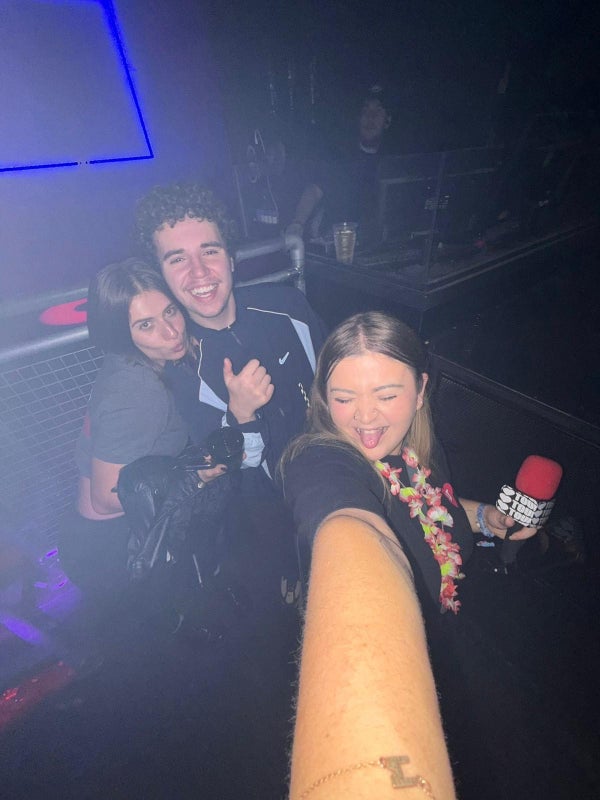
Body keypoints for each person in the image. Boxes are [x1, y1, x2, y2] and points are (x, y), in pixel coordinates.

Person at [280, 311, 538, 797]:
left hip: (459, 630)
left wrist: (484, 518)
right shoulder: (320, 459)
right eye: (343, 398)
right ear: (323, 399)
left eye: (386, 395)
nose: (365, 418)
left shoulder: (416, 444)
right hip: (413, 656)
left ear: (421, 391)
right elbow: (347, 525)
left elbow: (435, 505)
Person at [135, 183, 327, 606]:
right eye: (177, 259)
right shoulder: (181, 370)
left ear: (231, 258)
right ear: (161, 276)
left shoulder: (287, 306)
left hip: (334, 476)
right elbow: (231, 471)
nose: (199, 272)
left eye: (210, 251)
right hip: (273, 519)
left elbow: (336, 382)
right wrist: (241, 415)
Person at [58, 258, 225, 603]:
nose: (172, 332)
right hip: (111, 547)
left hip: (112, 533)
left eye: (170, 312)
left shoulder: (138, 360)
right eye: (146, 325)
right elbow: (105, 498)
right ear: (122, 334)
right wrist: (196, 477)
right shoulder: (138, 390)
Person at [287, 84, 395, 243]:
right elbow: (314, 190)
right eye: (365, 111)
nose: (370, 117)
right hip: (339, 247)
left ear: (388, 121)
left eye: (377, 111)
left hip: (382, 247)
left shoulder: (394, 162)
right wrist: (297, 224)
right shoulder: (341, 155)